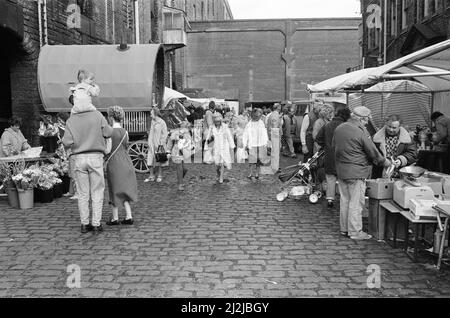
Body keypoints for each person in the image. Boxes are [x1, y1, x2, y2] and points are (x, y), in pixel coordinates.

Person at [333, 106, 390, 241]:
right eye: (366, 121)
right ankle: (355, 231)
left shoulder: (340, 128)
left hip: (341, 170)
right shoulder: (361, 132)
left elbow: (333, 145)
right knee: (356, 203)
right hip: (357, 171)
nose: (366, 123)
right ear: (362, 119)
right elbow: (372, 152)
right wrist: (384, 162)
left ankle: (344, 229)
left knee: (345, 201)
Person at [62, 92, 113, 234]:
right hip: (95, 157)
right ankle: (96, 224)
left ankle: (84, 224)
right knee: (97, 192)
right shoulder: (97, 115)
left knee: (83, 193)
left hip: (78, 158)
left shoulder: (71, 120)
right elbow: (108, 133)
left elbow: (67, 141)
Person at [104, 106, 138, 226]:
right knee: (124, 189)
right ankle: (129, 216)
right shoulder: (125, 132)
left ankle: (115, 218)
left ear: (111, 117)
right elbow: (124, 145)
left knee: (114, 189)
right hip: (126, 161)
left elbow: (108, 150)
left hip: (114, 162)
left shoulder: (109, 132)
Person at [316, 107, 351, 208]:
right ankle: (343, 199)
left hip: (329, 155)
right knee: (342, 178)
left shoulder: (327, 125)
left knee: (330, 178)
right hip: (343, 155)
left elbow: (318, 138)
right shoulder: (346, 126)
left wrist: (325, 146)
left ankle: (330, 199)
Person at [372, 115, 417, 179]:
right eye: (389, 126)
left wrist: (401, 160)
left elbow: (413, 153)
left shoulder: (407, 138)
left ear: (400, 127)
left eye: (394, 128)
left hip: (401, 174)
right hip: (380, 173)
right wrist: (382, 161)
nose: (391, 129)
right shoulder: (376, 138)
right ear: (386, 124)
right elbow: (372, 153)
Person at [205, 113, 235, 184]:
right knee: (217, 164)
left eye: (218, 121)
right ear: (214, 121)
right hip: (215, 147)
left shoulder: (225, 127)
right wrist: (207, 147)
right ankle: (218, 174)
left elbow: (229, 136)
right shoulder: (211, 128)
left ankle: (221, 177)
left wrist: (232, 146)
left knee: (222, 162)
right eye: (216, 121)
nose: (217, 122)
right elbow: (208, 138)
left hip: (224, 147)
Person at [243, 108, 270, 181]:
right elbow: (245, 134)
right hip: (252, 144)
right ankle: (251, 173)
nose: (258, 117)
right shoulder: (249, 124)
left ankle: (257, 173)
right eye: (257, 116)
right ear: (253, 116)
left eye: (259, 116)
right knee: (252, 160)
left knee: (259, 160)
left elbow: (264, 133)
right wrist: (245, 144)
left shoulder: (261, 123)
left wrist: (266, 142)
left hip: (260, 144)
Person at [145, 107, 169, 183]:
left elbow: (165, 133)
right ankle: (151, 176)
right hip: (152, 143)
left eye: (151, 114)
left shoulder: (162, 122)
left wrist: (161, 143)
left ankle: (159, 175)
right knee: (150, 159)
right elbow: (151, 132)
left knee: (160, 160)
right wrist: (150, 142)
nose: (150, 115)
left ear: (155, 114)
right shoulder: (153, 121)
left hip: (159, 144)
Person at [167, 121, 192, 191]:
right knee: (180, 168)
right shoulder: (175, 133)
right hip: (176, 152)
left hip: (184, 152)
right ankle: (180, 184)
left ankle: (180, 179)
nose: (188, 129)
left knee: (185, 169)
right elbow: (170, 142)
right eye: (187, 128)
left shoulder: (187, 133)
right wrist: (168, 151)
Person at [266, 103, 283, 173]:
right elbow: (275, 126)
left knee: (274, 151)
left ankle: (275, 166)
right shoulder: (275, 115)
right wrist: (279, 135)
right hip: (275, 134)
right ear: (278, 108)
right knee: (275, 151)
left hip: (273, 133)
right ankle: (275, 167)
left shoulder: (273, 114)